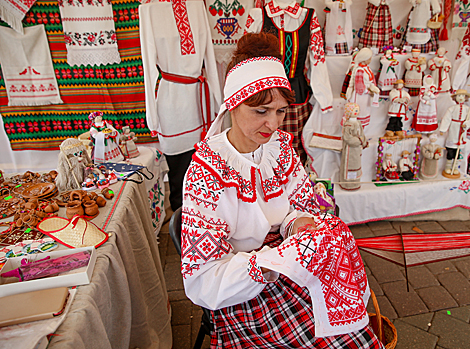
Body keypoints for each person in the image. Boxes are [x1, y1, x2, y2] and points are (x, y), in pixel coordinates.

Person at [180, 32, 384, 348]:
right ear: (233, 105)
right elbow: (202, 281)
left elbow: (299, 204)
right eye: (261, 111)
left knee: (347, 334)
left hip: (289, 266)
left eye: (279, 111)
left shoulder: (278, 149)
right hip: (245, 286)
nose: (273, 124)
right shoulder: (208, 172)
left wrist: (298, 223)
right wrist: (268, 262)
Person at [346, 47, 380, 128]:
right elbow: (359, 87)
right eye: (369, 58)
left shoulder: (366, 68)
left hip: (365, 96)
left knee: (364, 111)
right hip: (360, 96)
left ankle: (360, 131)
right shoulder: (360, 70)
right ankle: (356, 131)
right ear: (364, 59)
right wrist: (368, 91)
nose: (370, 60)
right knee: (359, 112)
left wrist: (372, 88)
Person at [439, 89, 470, 177]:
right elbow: (446, 118)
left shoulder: (467, 110)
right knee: (451, 149)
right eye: (459, 96)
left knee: (458, 150)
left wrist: (466, 124)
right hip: (454, 128)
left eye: (463, 96)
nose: (461, 98)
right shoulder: (451, 108)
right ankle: (448, 166)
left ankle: (455, 167)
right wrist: (443, 129)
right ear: (455, 98)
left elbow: (469, 120)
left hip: (462, 130)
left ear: (465, 98)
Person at [339, 103, 368, 191]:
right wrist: (359, 141)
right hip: (350, 149)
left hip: (357, 149)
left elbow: (362, 134)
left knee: (356, 164)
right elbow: (347, 138)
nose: (357, 112)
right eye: (355, 110)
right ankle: (348, 185)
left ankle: (355, 183)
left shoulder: (358, 123)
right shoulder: (348, 124)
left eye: (357, 110)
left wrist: (364, 141)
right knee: (350, 165)